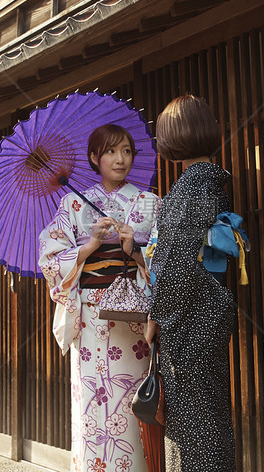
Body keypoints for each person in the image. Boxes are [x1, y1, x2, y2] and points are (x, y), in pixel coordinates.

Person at [38, 124, 160, 472]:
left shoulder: (150, 203)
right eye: (110, 151)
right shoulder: (73, 202)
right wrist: (88, 246)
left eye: (126, 151)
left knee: (133, 401)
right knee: (92, 402)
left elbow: (165, 261)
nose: (120, 159)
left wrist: (134, 249)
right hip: (91, 316)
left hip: (133, 318)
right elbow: (49, 257)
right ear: (95, 157)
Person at [144, 95, 237, 471]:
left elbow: (178, 263)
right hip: (206, 313)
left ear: (172, 140)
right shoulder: (209, 182)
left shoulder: (191, 188)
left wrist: (158, 315)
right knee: (208, 419)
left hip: (191, 322)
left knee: (195, 425)